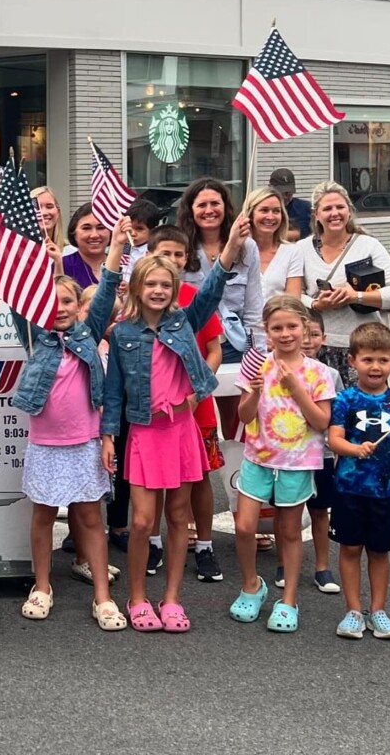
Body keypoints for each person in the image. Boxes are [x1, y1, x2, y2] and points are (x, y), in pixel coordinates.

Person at [101, 213, 247, 633]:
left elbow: (214, 288)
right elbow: (113, 392)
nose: (160, 291)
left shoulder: (185, 321)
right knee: (143, 521)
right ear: (138, 288)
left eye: (166, 284)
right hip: (145, 432)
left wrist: (233, 244)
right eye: (151, 284)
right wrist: (108, 436)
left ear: (175, 288)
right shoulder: (122, 332)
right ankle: (137, 597)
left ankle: (171, 598)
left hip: (181, 431)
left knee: (178, 516)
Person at [11, 226, 129, 630]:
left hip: (84, 444)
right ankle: (42, 586)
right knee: (42, 517)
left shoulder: (88, 331)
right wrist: (40, 259)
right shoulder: (34, 337)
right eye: (50, 301)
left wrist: (116, 248)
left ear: (80, 307)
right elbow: (18, 296)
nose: (58, 307)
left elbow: (109, 286)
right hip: (45, 444)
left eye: (66, 301)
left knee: (91, 519)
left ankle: (102, 595)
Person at [230, 295, 335, 634]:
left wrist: (295, 388)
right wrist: (256, 392)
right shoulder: (256, 364)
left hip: (297, 461)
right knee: (245, 526)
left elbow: (321, 422)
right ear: (266, 330)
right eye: (277, 327)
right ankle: (251, 585)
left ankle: (288, 598)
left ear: (305, 327)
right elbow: (244, 416)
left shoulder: (319, 373)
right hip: (258, 457)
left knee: (289, 530)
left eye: (292, 326)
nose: (286, 333)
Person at [146, 227, 225, 584]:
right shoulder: (143, 302)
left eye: (180, 254)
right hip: (156, 410)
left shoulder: (197, 297)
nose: (174, 260)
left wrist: (196, 391)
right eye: (166, 253)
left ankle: (205, 545)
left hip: (196, 406)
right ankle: (153, 541)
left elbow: (214, 350)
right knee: (155, 478)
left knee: (201, 476)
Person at [329, 323, 390, 639]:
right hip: (349, 488)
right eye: (367, 360)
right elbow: (334, 440)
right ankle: (353, 610)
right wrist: (355, 448)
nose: (375, 367)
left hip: (387, 491)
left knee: (379, 551)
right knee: (350, 548)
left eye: (382, 360)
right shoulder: (345, 399)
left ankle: (378, 611)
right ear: (352, 361)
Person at [296, 181, 390, 384]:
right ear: (316, 215)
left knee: (362, 413)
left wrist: (356, 296)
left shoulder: (368, 246)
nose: (334, 213)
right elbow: (292, 295)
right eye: (327, 208)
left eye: (340, 207)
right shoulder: (301, 249)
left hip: (362, 351)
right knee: (321, 413)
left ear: (349, 210)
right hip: (316, 348)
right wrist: (315, 304)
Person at [178, 177, 264, 438]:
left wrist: (255, 353)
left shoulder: (247, 246)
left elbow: (253, 307)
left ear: (226, 207)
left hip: (235, 345)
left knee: (237, 424)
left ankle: (235, 478)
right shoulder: (181, 247)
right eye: (201, 204)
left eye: (215, 203)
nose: (209, 210)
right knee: (194, 420)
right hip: (194, 345)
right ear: (190, 210)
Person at [291, 310, 344, 596]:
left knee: (320, 510)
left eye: (315, 335)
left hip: (321, 453)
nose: (308, 340)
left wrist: (338, 449)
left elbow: (338, 417)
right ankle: (286, 564)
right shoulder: (282, 371)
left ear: (324, 338)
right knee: (289, 511)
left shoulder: (330, 374)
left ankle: (322, 566)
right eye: (305, 333)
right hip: (290, 454)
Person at [244, 187, 303, 300]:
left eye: (276, 211)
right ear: (250, 215)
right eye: (264, 210)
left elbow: (293, 301)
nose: (270, 217)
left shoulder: (292, 252)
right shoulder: (237, 251)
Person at [62, 204, 111, 287]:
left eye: (101, 227)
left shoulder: (123, 265)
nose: (94, 235)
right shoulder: (63, 266)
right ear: (74, 234)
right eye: (86, 228)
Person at [123, 198, 162, 281]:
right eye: (130, 227)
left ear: (153, 230)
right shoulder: (122, 247)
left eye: (139, 229)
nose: (133, 233)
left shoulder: (152, 251)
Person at [269, 168, 312, 240]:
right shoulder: (263, 210)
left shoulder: (306, 208)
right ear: (271, 188)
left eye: (289, 193)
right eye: (282, 192)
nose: (286, 196)